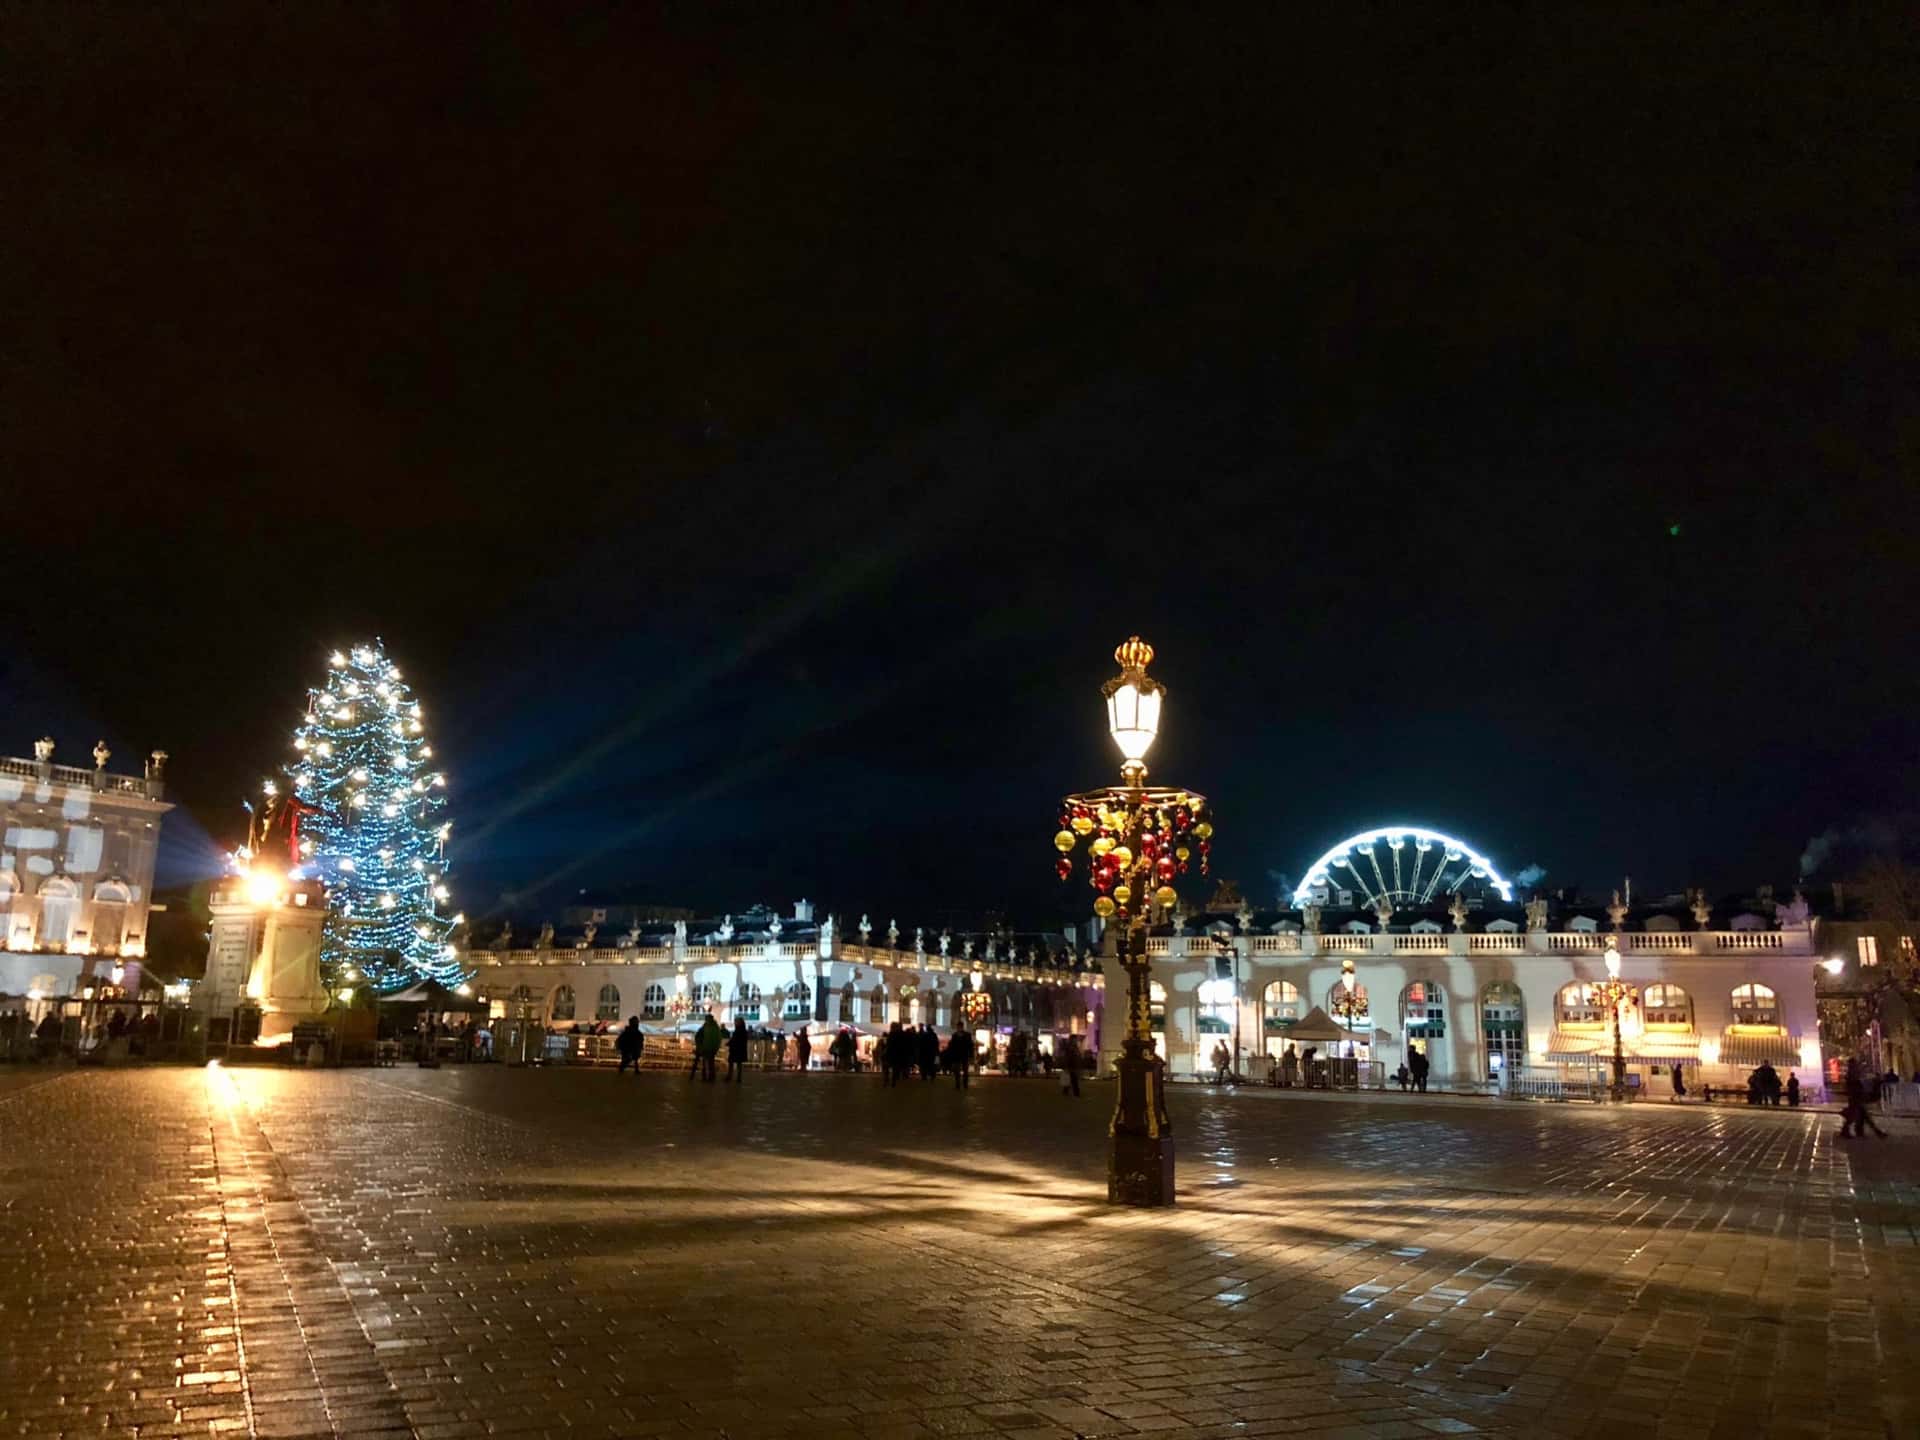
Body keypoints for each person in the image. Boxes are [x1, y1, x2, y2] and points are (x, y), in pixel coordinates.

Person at [1840, 1058, 1886, 1139]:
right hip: (1855, 1098)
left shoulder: (1852, 1074)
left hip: (1856, 1097)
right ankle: (1875, 1132)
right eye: (1855, 1064)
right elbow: (1853, 1086)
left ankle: (1862, 1131)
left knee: (1861, 1116)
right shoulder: (1852, 1074)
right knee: (1858, 1116)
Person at [694, 1013, 723, 1082]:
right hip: (707, 1047)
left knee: (709, 1063)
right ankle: (708, 1077)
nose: (706, 1020)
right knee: (707, 1063)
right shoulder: (711, 1027)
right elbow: (718, 1038)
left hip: (709, 1048)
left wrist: (716, 1047)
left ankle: (709, 1077)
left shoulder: (710, 1027)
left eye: (707, 1019)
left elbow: (718, 1038)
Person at [725, 1016, 749, 1083]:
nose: (735, 1023)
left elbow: (734, 1039)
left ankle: (730, 1076)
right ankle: (738, 1077)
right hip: (739, 1049)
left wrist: (729, 1043)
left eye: (736, 1022)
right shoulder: (742, 1030)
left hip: (736, 1049)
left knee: (731, 1063)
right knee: (738, 1064)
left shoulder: (739, 1030)